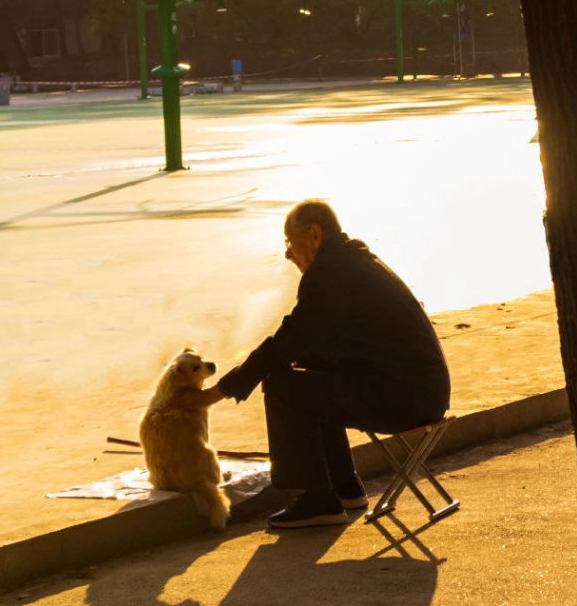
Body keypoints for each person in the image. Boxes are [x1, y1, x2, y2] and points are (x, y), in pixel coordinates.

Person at [171, 200, 451, 528]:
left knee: (281, 386)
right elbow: (309, 341)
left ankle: (318, 500)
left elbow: (287, 341)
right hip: (423, 394)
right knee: (312, 378)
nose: (288, 253)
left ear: (314, 234)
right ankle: (345, 488)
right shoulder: (357, 261)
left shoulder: (330, 272)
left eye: (290, 241)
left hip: (403, 400)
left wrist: (212, 394)